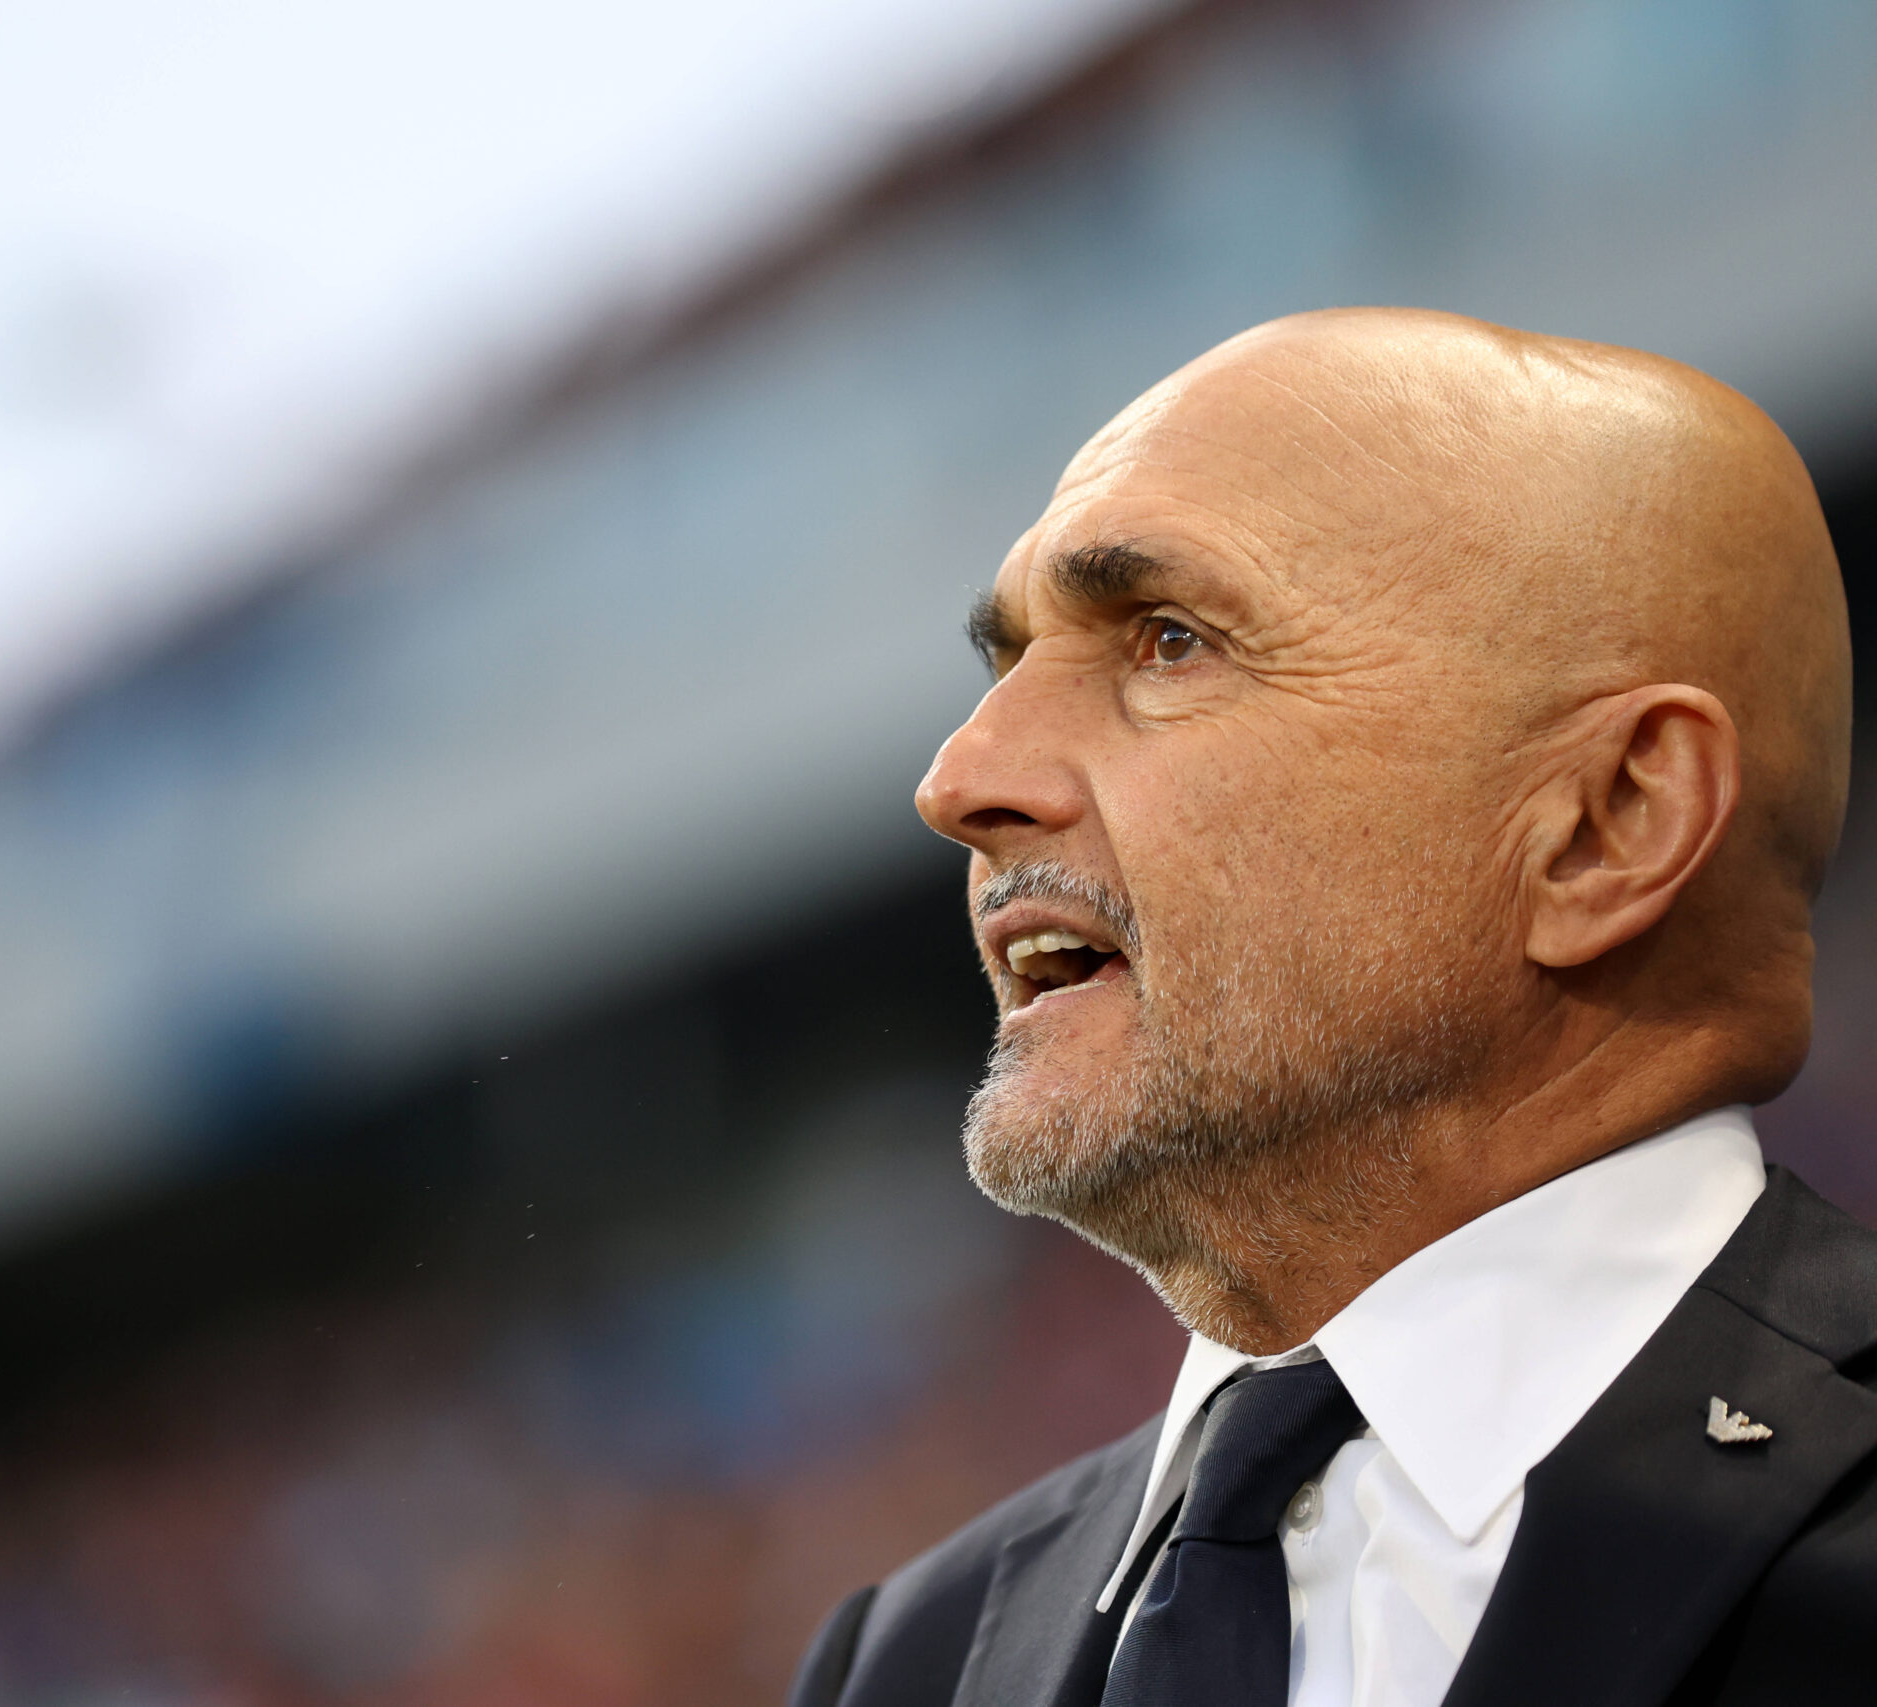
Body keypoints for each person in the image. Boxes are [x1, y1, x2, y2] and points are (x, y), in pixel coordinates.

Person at [788, 309, 1873, 1707]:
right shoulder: (903, 1665)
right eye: (1008, 669)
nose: (959, 782)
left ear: (1607, 824)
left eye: (1167, 643)